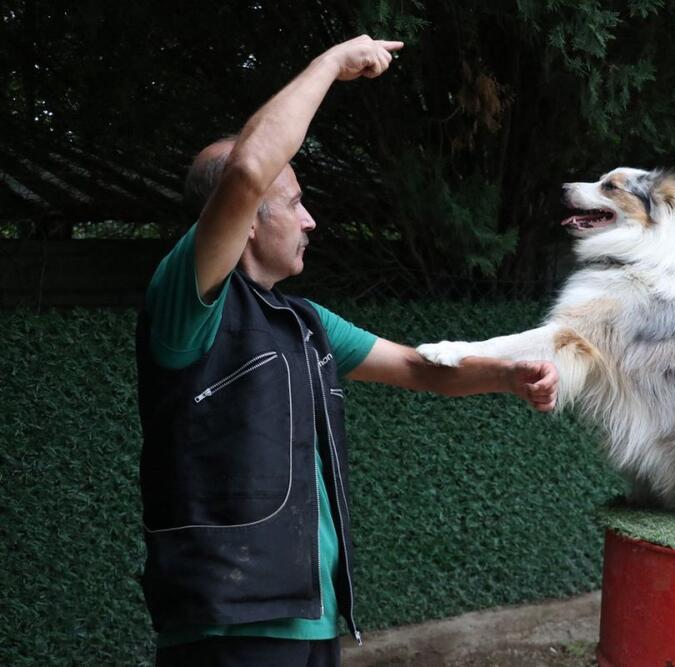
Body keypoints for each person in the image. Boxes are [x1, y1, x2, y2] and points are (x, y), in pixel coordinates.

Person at [135, 35, 558, 667]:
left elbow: (420, 368)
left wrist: (507, 376)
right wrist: (330, 64)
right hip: (230, 626)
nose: (311, 221)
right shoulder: (188, 305)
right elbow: (250, 168)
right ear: (246, 217)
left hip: (315, 615)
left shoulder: (304, 322)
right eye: (297, 203)